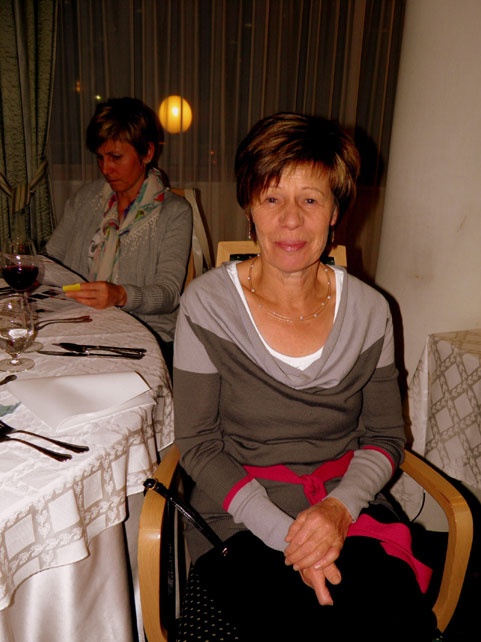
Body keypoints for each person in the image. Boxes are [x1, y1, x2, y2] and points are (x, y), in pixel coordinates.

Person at [172, 112, 437, 641]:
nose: (290, 220)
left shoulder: (372, 310)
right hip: (239, 516)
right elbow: (199, 445)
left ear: (336, 211)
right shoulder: (206, 305)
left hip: (349, 510)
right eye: (272, 198)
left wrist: (337, 511)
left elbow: (385, 437)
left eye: (311, 200)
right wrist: (288, 535)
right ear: (249, 208)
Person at [45, 97, 193, 376]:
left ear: (147, 152)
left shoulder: (174, 212)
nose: (105, 168)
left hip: (146, 335)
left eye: (115, 157)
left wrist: (120, 294)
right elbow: (52, 260)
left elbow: (169, 293)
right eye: (100, 157)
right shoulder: (85, 199)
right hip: (79, 326)